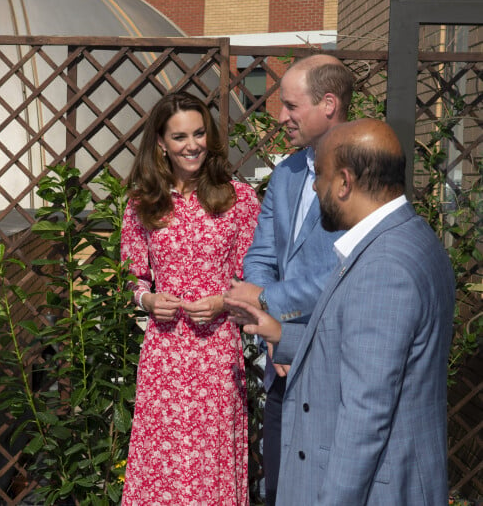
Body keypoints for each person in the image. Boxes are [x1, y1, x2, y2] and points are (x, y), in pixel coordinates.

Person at [227, 118, 456, 505]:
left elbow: (367, 411)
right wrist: (282, 335)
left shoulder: (385, 264)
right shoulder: (408, 237)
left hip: (377, 488)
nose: (314, 187)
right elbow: (373, 351)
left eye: (320, 175)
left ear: (345, 182)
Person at [120, 92, 261, 505]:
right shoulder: (142, 202)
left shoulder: (238, 200)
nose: (192, 144)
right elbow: (131, 279)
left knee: (209, 464)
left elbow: (253, 281)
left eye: (199, 133)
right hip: (164, 355)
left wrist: (221, 302)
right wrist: (147, 301)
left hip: (216, 353)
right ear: (161, 142)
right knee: (162, 465)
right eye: (180, 136)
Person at [226, 53, 354, 505]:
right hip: (280, 366)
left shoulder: (362, 175)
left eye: (291, 106)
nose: (280, 117)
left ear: (329, 104)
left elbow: (346, 271)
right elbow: (260, 256)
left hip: (336, 367)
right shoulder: (286, 173)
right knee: (279, 487)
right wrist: (273, 338)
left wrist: (271, 305)